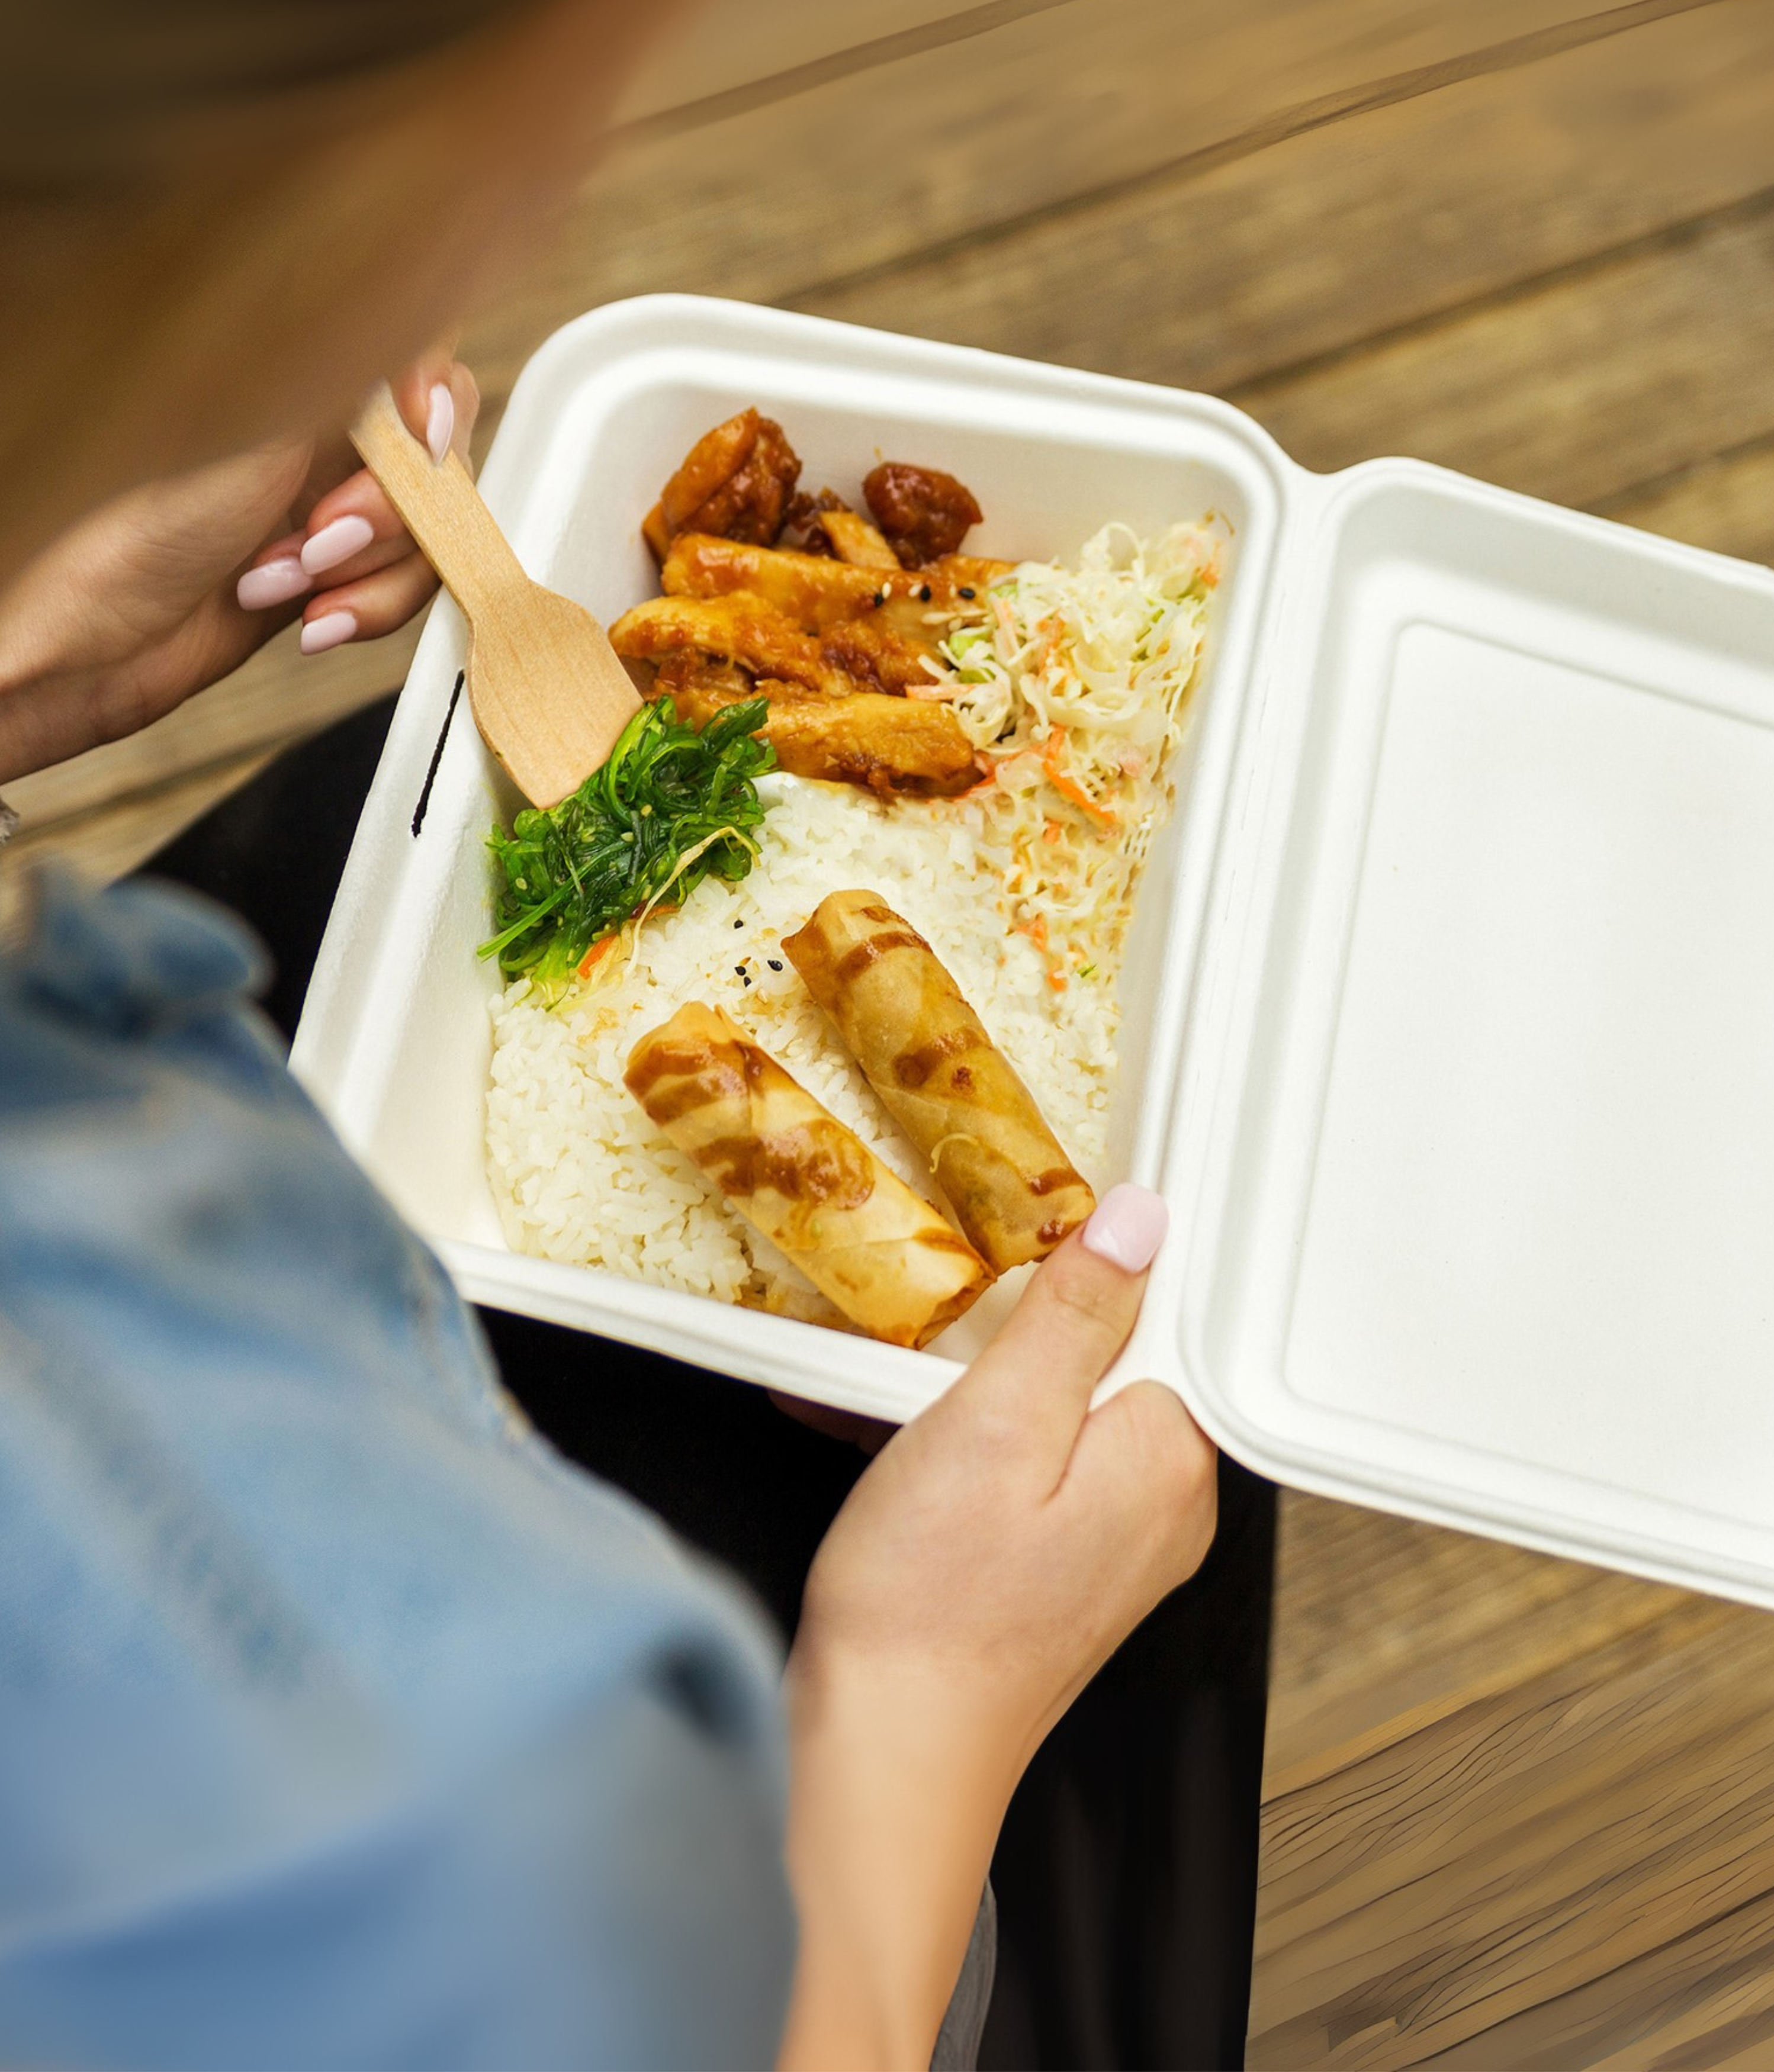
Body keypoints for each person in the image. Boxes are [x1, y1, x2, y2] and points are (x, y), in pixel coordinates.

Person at [0, 4, 1221, 2065]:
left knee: (334, 820)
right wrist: (916, 1694)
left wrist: (23, 674)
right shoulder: (310, 1686)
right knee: (1143, 1581)